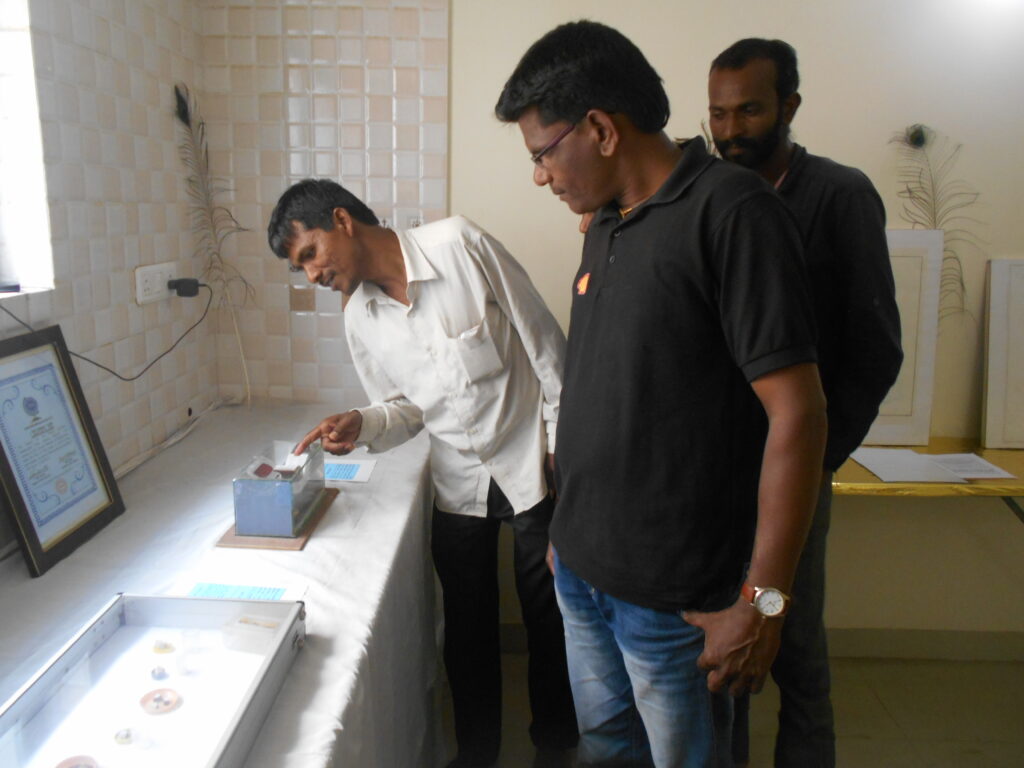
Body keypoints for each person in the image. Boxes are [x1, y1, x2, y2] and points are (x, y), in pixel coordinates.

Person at [495, 21, 828, 768]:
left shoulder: (733, 213)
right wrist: (566, 535)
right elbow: (609, 388)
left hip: (678, 599)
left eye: (543, 153)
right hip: (583, 573)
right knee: (604, 748)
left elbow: (800, 414)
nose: (541, 176)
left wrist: (764, 603)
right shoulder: (605, 223)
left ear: (601, 129)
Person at [267, 180, 577, 768]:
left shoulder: (459, 245)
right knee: (466, 627)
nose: (311, 275)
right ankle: (476, 754)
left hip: (532, 460)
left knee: (551, 616)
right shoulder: (359, 317)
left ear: (342, 221)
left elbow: (545, 344)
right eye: (299, 267)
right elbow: (405, 409)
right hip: (459, 481)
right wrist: (363, 421)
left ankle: (556, 746)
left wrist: (561, 445)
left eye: (310, 254)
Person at [708, 39, 903, 768]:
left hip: (794, 471)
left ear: (789, 106)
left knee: (789, 635)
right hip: (715, 475)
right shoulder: (710, 195)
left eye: (750, 110)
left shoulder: (838, 196)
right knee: (718, 650)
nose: (731, 130)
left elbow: (877, 347)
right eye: (718, 113)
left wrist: (819, 458)